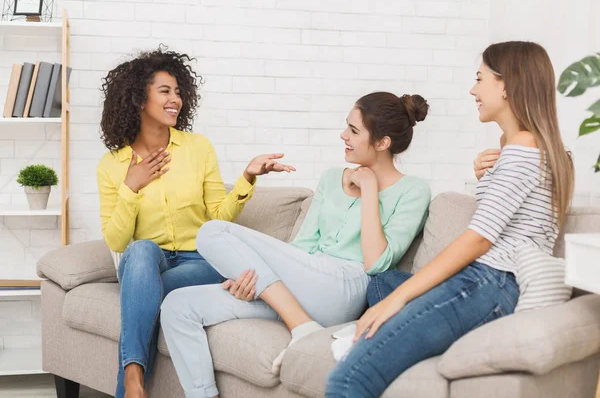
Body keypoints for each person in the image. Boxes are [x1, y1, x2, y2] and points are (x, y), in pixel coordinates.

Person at [325, 41, 575, 397]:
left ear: (506, 85)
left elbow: (478, 239)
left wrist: (397, 301)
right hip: (492, 283)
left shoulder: (522, 151)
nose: (473, 90)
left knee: (347, 379)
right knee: (383, 282)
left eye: (480, 79)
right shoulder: (533, 149)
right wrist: (490, 171)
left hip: (488, 282)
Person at [160, 91, 433, 398]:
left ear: (383, 143)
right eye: (346, 126)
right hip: (297, 287)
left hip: (343, 287)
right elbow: (302, 246)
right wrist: (246, 276)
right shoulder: (332, 178)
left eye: (354, 131)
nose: (343, 135)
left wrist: (370, 189)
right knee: (177, 306)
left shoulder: (413, 190)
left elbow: (376, 263)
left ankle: (301, 327)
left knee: (212, 232)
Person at [96, 47, 294, 398]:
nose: (177, 99)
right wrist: (131, 185)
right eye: (165, 91)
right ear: (139, 99)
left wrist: (247, 177)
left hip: (198, 262)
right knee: (141, 250)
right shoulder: (112, 165)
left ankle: (132, 380)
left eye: (178, 91)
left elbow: (217, 216)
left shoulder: (198, 148)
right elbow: (116, 240)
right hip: (145, 261)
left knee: (143, 293)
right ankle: (132, 377)